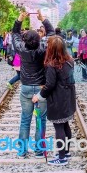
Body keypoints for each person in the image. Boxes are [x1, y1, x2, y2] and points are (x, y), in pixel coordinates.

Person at [12, 10, 54, 158]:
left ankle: (22, 151)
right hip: (41, 88)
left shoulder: (21, 49)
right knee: (40, 119)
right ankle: (39, 150)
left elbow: (15, 34)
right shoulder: (43, 47)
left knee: (25, 119)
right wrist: (43, 19)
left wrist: (19, 20)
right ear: (38, 39)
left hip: (26, 87)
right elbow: (51, 33)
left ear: (25, 40)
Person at [32, 35, 76, 166]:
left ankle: (61, 158)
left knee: (59, 127)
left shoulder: (52, 65)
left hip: (58, 99)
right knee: (65, 124)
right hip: (68, 98)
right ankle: (66, 151)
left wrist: (38, 96)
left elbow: (50, 85)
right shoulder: (69, 61)